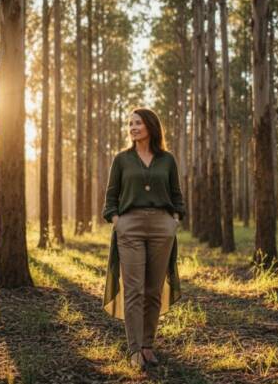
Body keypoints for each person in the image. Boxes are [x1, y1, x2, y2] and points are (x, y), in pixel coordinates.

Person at [102, 107, 187, 371]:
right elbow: (111, 198)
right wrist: (119, 222)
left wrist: (174, 220)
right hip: (130, 227)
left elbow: (177, 195)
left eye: (137, 123)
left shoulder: (167, 160)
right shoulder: (122, 160)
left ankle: (148, 345)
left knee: (153, 290)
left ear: (150, 126)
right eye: (130, 124)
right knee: (134, 289)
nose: (133, 127)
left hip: (162, 227)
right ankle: (134, 349)